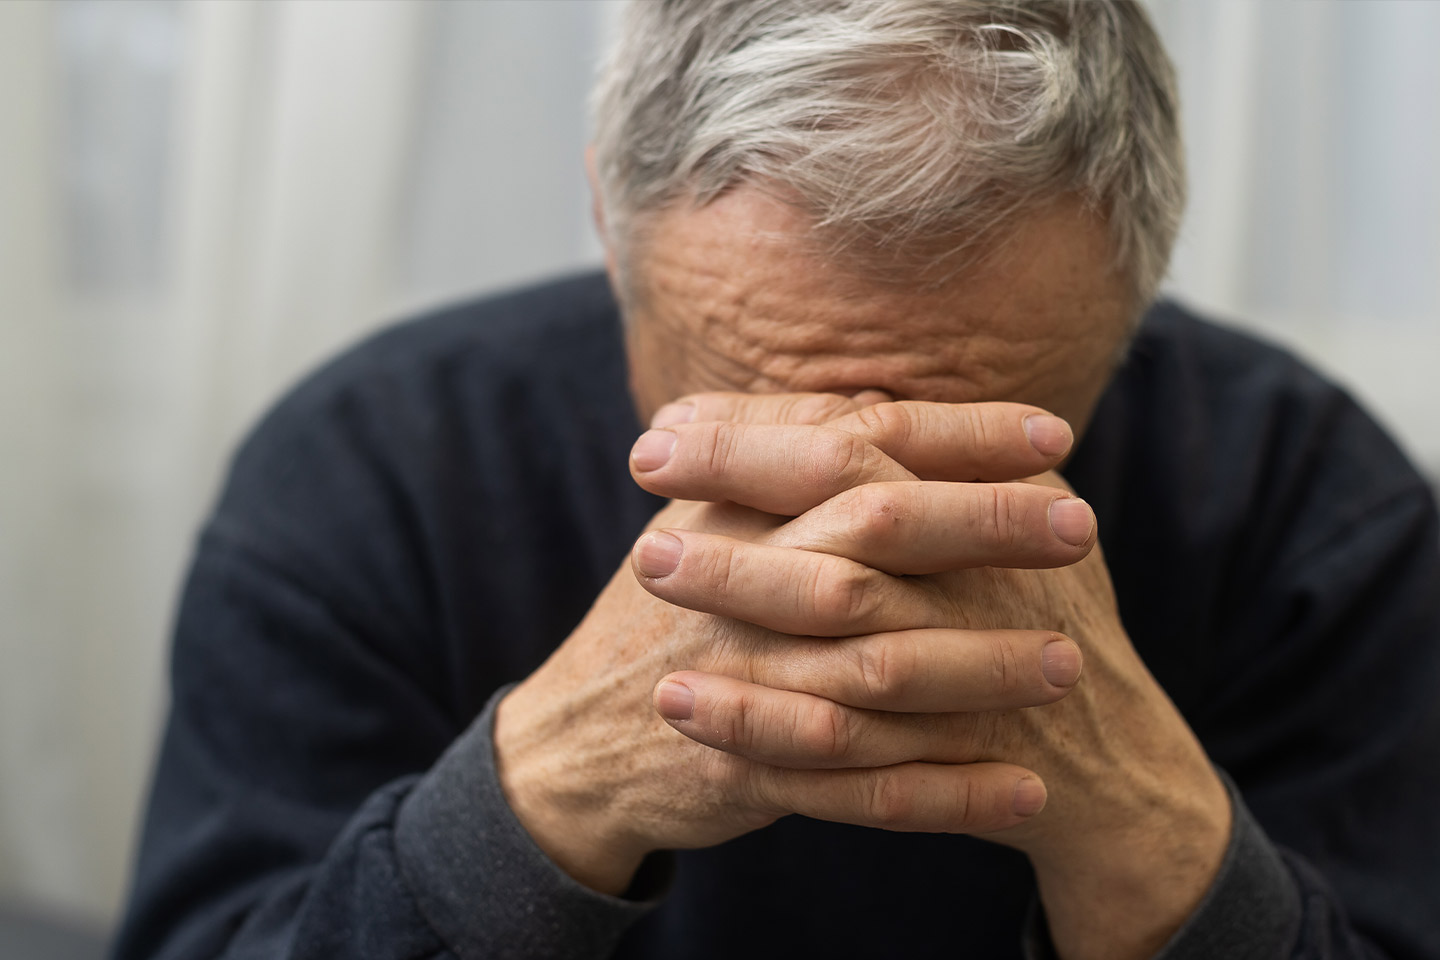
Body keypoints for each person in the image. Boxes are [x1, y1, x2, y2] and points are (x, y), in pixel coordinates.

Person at [112, 2, 1440, 959]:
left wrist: (1154, 837)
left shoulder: (1316, 507)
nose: (855, 514)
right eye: (754, 410)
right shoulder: (370, 467)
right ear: (609, 229)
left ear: (1134, 291)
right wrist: (541, 795)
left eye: (956, 428)